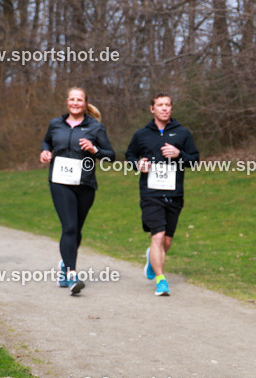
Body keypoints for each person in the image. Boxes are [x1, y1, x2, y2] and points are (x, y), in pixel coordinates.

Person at [39, 87, 115, 295]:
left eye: (79, 100)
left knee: (76, 230)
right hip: (60, 182)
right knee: (70, 227)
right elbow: (47, 141)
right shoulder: (56, 124)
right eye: (72, 99)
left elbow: (111, 156)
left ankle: (64, 264)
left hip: (85, 184)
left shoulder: (95, 127)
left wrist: (94, 150)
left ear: (85, 103)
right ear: (67, 102)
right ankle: (72, 275)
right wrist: (45, 151)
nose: (75, 103)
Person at [125, 93, 199, 296]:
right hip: (151, 193)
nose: (164, 108)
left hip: (174, 193)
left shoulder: (183, 133)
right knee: (157, 236)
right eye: (160, 105)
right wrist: (137, 164)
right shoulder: (142, 134)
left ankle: (152, 258)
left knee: (166, 241)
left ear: (171, 109)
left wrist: (179, 154)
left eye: (168, 105)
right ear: (152, 109)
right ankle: (161, 281)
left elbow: (194, 160)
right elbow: (130, 155)